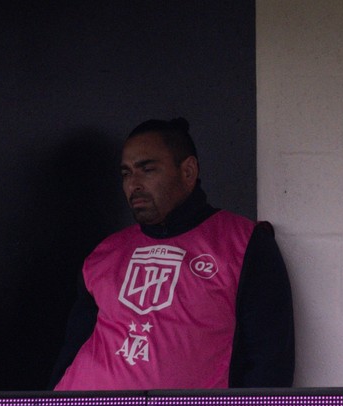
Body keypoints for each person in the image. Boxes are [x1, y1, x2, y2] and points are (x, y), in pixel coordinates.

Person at [51, 118, 295, 389]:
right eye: (126, 173)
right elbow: (71, 353)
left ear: (188, 171)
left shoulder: (244, 243)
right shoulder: (106, 253)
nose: (134, 184)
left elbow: (271, 363)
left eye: (147, 170)